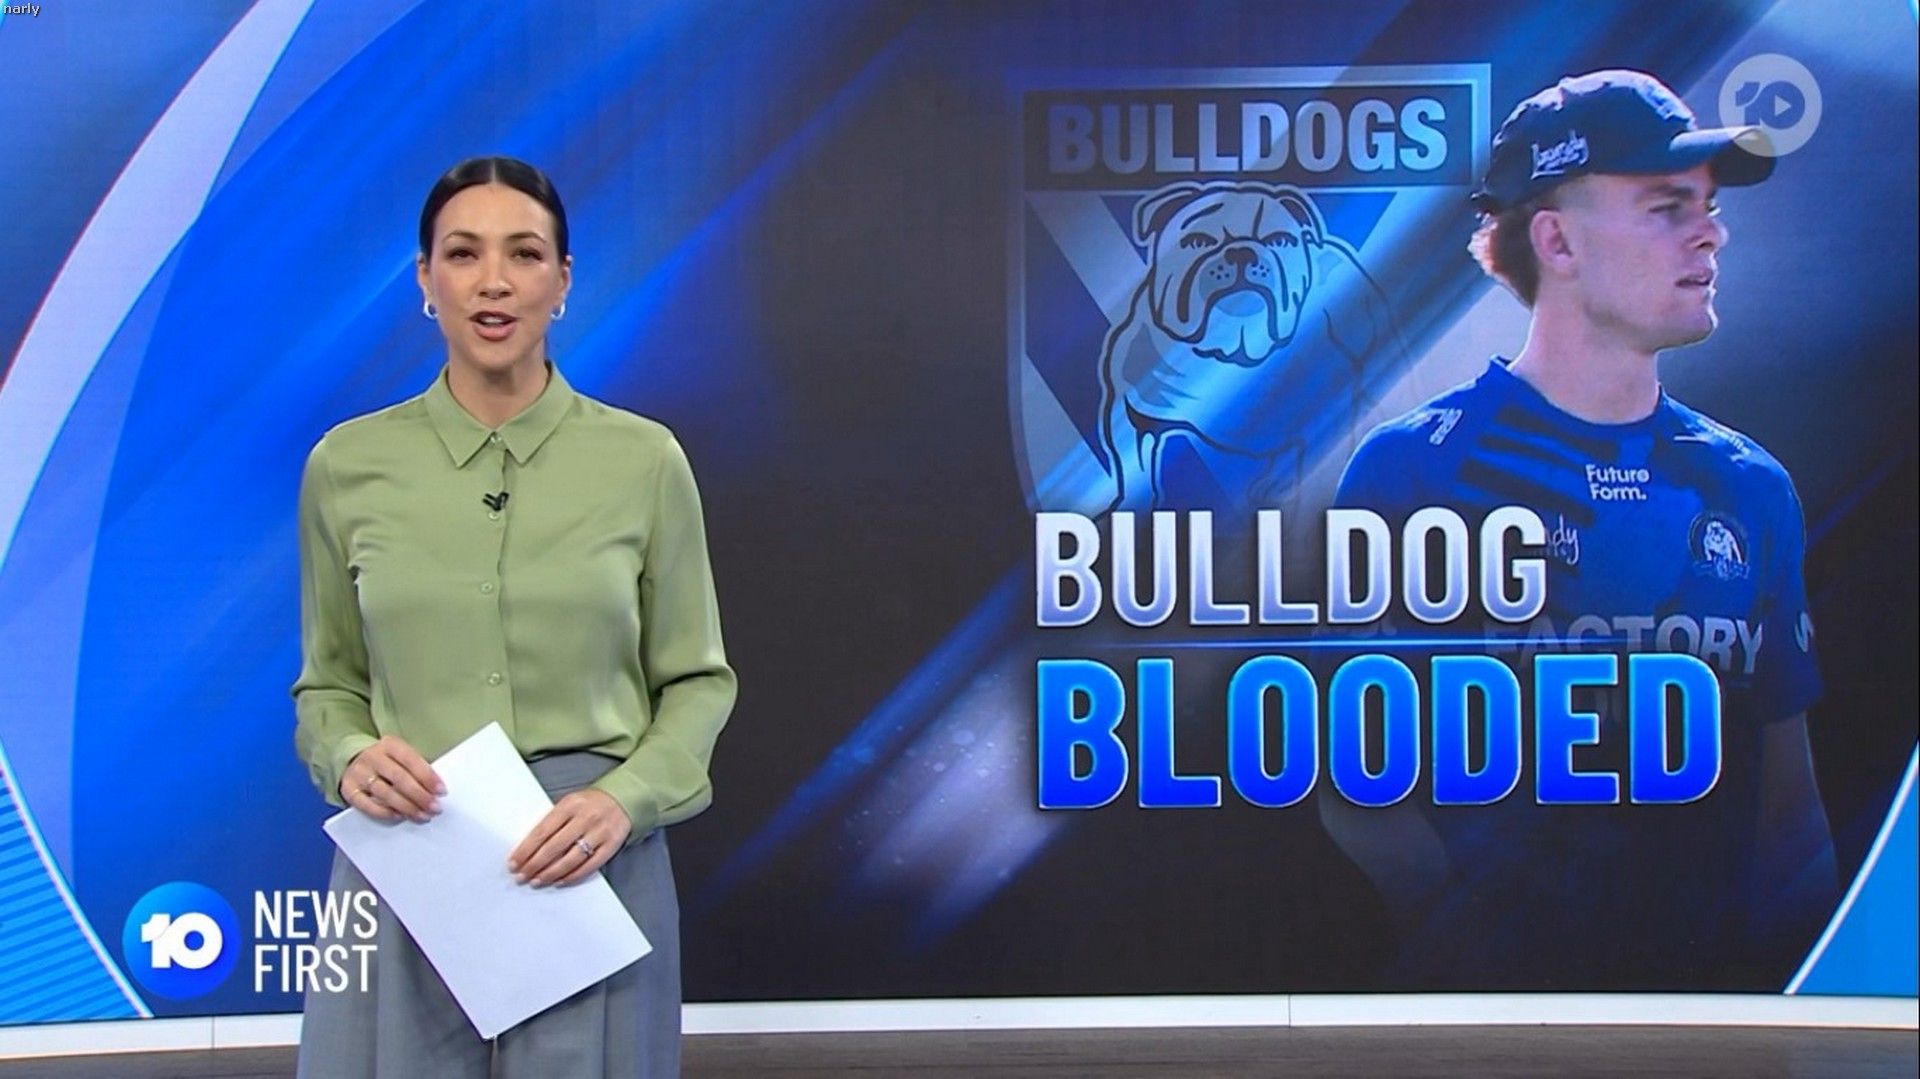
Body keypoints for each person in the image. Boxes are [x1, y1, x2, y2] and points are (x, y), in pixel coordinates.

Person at [1326, 71, 1837, 987]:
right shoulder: (1412, 474)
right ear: (1556, 239)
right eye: (1667, 206)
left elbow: (1792, 817)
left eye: (1710, 206)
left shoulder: (1750, 487)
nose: (1710, 232)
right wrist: (1486, 967)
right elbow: (1355, 792)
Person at [292, 156, 736, 1074]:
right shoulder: (345, 465)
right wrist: (350, 756)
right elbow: (328, 687)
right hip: (409, 856)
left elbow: (697, 682)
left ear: (562, 280)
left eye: (524, 253)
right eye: (463, 254)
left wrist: (622, 802)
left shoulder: (644, 460)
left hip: (589, 859)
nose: (493, 280)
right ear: (425, 279)